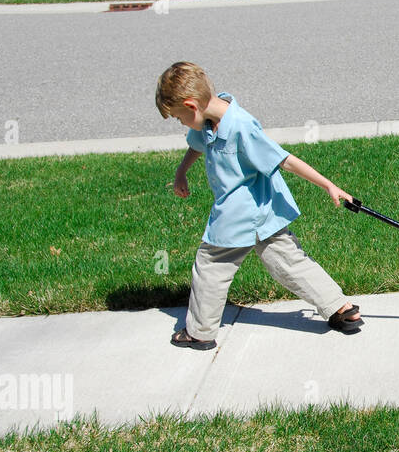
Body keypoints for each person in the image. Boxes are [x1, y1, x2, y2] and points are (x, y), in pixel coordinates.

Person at [155, 61, 363, 351]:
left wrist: (328, 184)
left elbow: (283, 159)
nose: (180, 123)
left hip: (238, 216)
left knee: (210, 266)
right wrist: (181, 171)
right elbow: (197, 144)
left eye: (178, 118)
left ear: (191, 106)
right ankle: (342, 309)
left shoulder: (241, 126)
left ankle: (200, 333)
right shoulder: (207, 118)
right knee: (290, 263)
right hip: (264, 214)